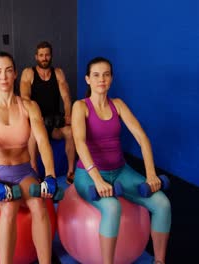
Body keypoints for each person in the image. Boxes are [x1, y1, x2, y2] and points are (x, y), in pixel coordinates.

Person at [72, 57, 171, 264]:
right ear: (87, 79)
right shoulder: (80, 107)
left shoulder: (118, 105)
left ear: (111, 79)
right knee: (112, 207)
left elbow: (142, 138)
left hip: (120, 171)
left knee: (163, 203)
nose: (102, 79)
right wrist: (98, 180)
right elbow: (80, 143)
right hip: (88, 176)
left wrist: (151, 174)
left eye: (106, 74)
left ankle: (159, 261)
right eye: (96, 75)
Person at [0, 51, 56, 264]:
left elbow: (42, 141)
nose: (4, 77)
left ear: (15, 74)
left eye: (8, 71)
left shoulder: (29, 107)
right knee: (9, 205)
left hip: (23, 172)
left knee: (38, 203)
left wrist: (50, 174)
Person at [20, 41, 75, 183]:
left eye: (47, 55)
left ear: (51, 56)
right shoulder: (29, 73)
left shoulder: (58, 73)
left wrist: (67, 116)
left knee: (70, 131)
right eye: (41, 55)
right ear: (36, 57)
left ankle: (71, 171)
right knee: (33, 133)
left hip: (54, 122)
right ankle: (35, 171)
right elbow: (25, 99)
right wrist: (37, 118)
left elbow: (66, 97)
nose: (44, 58)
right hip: (37, 122)